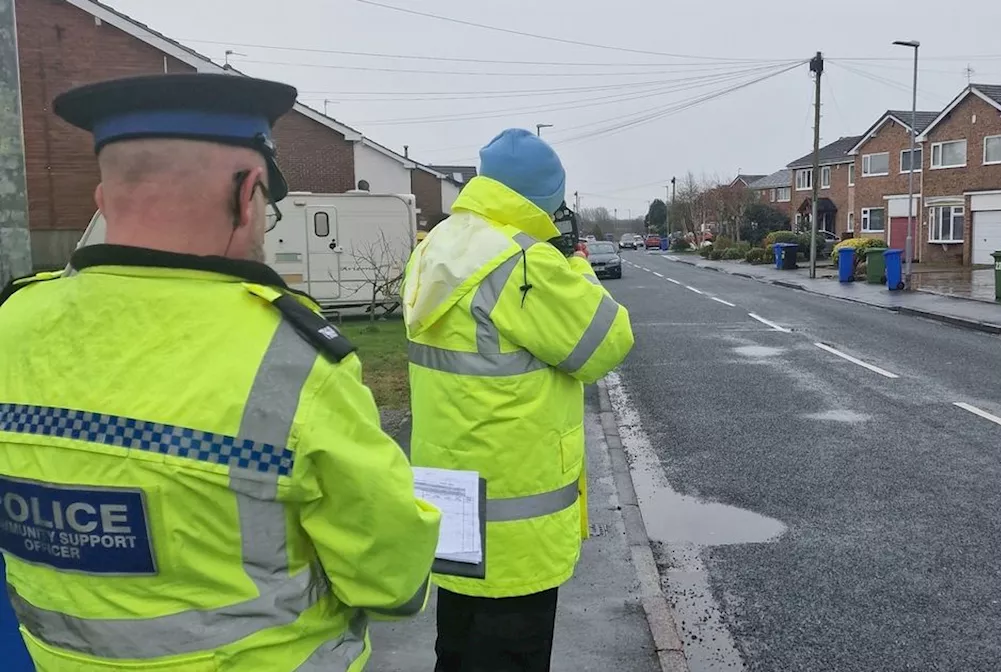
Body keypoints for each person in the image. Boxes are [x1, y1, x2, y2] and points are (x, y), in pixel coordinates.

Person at [0, 73, 441, 670]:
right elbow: (390, 577)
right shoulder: (291, 358)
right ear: (248, 192)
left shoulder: (12, 321)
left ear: (103, 201)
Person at [403, 128, 634, 671]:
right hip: (515, 510)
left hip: (453, 493)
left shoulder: (437, 245)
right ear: (541, 199)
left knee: (457, 646)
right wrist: (576, 264)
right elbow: (607, 341)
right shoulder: (522, 263)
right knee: (511, 653)